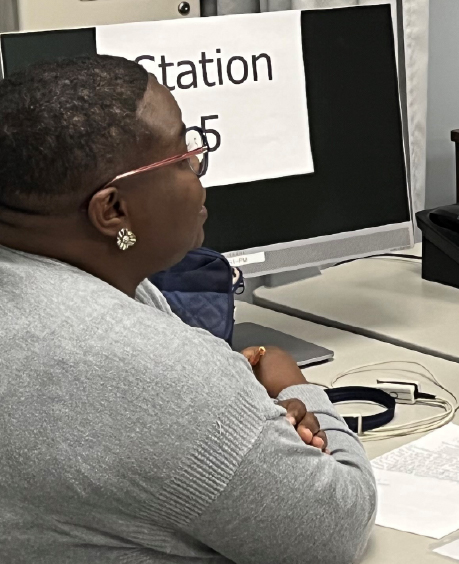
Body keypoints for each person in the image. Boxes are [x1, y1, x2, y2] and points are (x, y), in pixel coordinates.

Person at [0, 55, 376, 563]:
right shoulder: (151, 369)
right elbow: (334, 530)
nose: (199, 170)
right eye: (182, 157)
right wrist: (293, 386)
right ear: (113, 210)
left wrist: (233, 413)